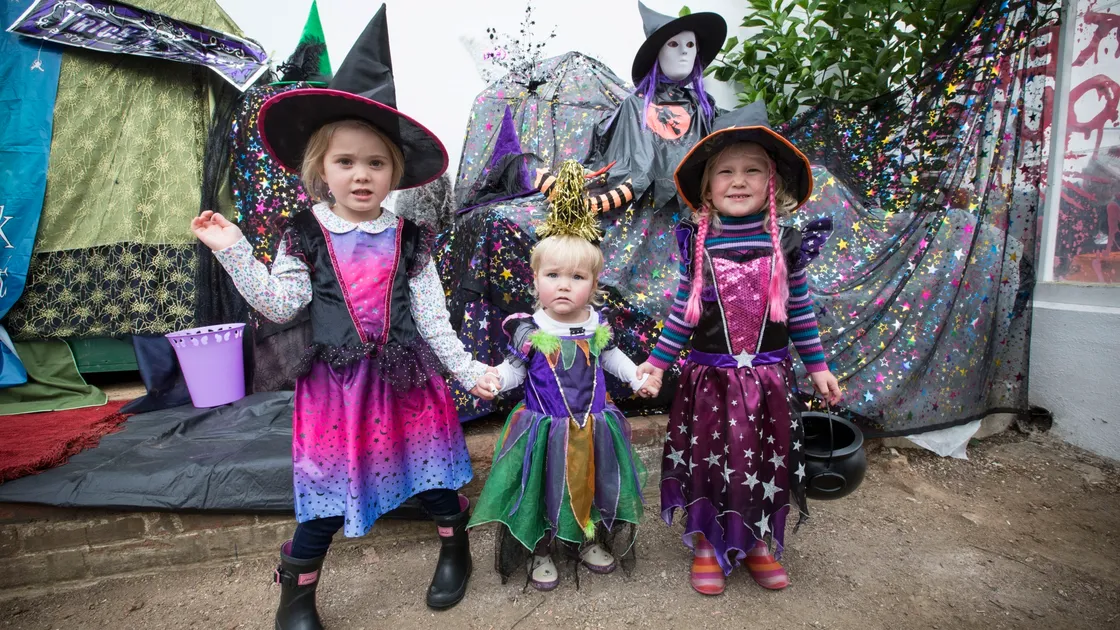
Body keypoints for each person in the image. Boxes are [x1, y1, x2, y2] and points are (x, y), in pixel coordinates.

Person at [191, 7, 499, 628]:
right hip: (335, 395)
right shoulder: (303, 235)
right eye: (346, 162)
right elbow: (280, 304)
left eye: (376, 163)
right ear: (320, 169)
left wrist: (468, 373)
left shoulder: (412, 238)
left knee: (432, 478)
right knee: (325, 498)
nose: (361, 174)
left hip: (408, 386)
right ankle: (297, 593)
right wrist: (233, 251)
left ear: (395, 172)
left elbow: (435, 318)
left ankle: (454, 548)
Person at [636, 101, 841, 596]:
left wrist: (818, 368)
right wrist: (657, 365)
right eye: (725, 171)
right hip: (710, 384)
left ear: (773, 184)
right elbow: (681, 318)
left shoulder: (787, 245)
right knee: (709, 460)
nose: (739, 180)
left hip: (770, 382)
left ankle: (758, 543)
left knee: (765, 461)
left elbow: (802, 315)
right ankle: (707, 540)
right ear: (706, 188)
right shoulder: (698, 245)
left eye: (753, 170)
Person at [468, 161, 661, 591]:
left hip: (593, 428)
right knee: (543, 490)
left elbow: (612, 359)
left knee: (592, 481)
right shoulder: (530, 330)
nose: (564, 286)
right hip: (545, 429)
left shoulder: (596, 325)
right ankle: (540, 547)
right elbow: (517, 369)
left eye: (577, 277)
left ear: (593, 284)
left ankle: (589, 537)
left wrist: (637, 377)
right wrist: (495, 378)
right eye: (553, 276)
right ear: (535, 279)